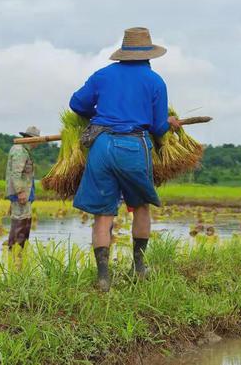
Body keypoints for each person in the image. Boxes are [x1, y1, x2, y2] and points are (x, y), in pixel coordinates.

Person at [69, 27, 181, 292]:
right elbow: (156, 127)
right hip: (133, 145)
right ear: (148, 56)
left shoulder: (103, 75)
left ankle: (103, 277)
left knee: (103, 214)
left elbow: (77, 103)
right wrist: (169, 123)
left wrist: (95, 111)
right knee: (141, 206)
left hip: (102, 146)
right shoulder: (155, 81)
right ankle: (139, 269)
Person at [6, 126, 40, 249]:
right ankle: (15, 252)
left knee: (25, 221)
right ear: (31, 139)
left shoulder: (25, 151)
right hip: (20, 193)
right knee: (20, 222)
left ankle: (20, 252)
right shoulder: (19, 150)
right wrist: (20, 192)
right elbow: (15, 174)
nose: (38, 144)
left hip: (26, 192)